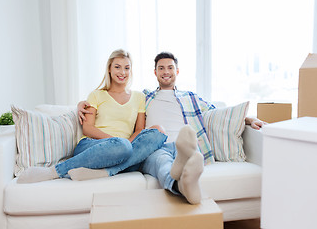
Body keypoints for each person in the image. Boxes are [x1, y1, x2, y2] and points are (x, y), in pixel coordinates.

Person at [76, 52, 266, 204]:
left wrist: (248, 119)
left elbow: (217, 113)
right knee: (162, 163)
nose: (166, 71)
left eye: (170, 67)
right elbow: (115, 101)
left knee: (186, 152)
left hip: (184, 145)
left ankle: (185, 166)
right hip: (157, 148)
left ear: (177, 71)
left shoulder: (190, 97)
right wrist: (81, 104)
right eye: (161, 68)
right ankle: (179, 184)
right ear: (155, 72)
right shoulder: (145, 97)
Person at [17, 49, 167, 184]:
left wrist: (125, 144)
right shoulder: (96, 95)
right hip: (93, 145)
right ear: (109, 69)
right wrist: (116, 142)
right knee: (123, 148)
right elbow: (88, 128)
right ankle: (54, 171)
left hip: (124, 149)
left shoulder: (139, 97)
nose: (122, 72)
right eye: (117, 67)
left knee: (159, 131)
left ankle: (105, 171)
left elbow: (139, 130)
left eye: (127, 68)